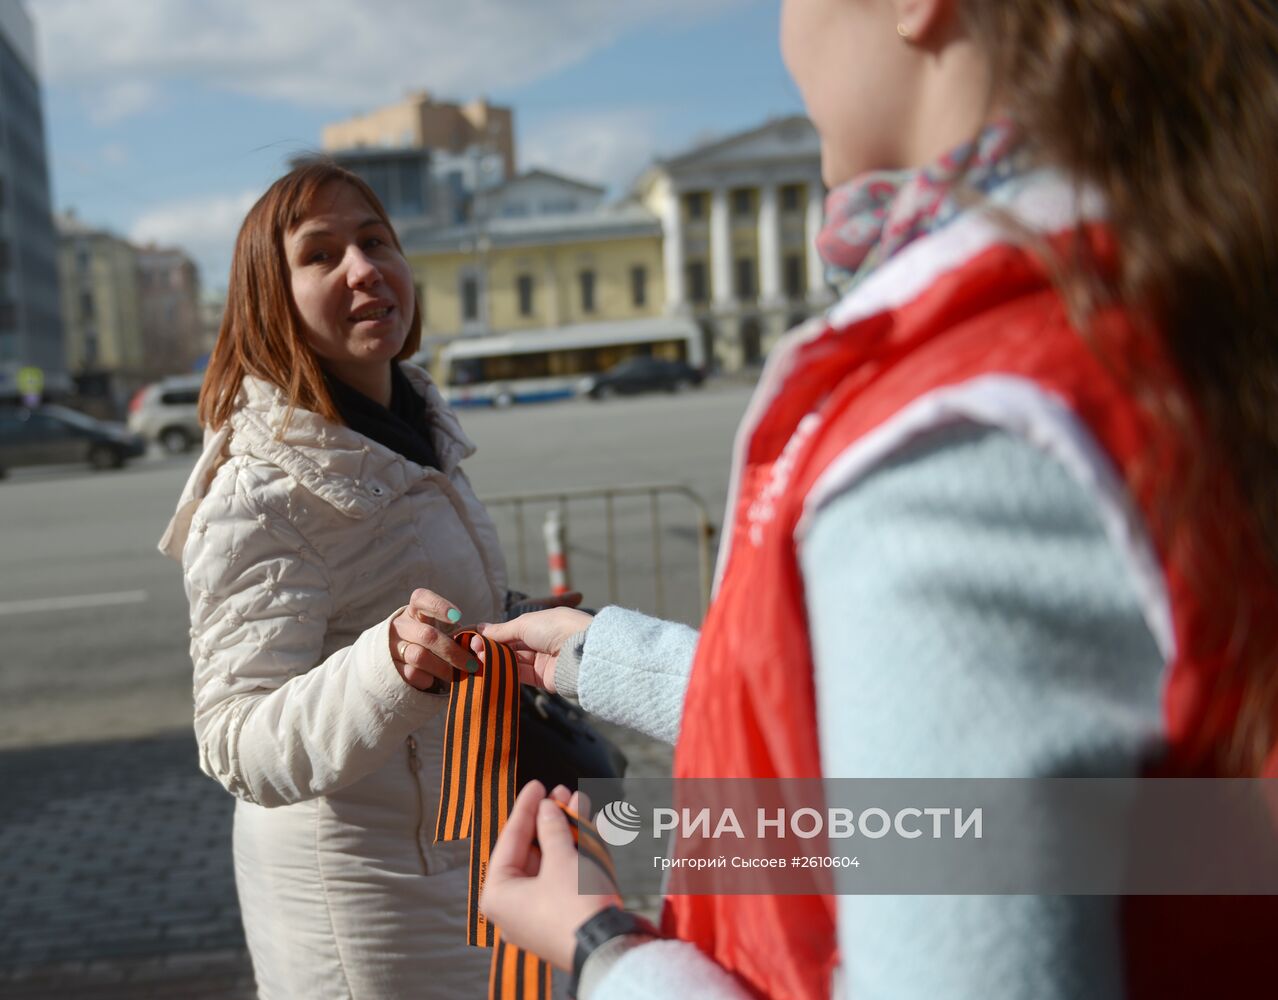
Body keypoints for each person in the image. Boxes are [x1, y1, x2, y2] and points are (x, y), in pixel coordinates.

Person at [467, 0, 1278, 997]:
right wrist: (605, 658)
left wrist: (606, 949)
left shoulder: (954, 423)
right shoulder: (1154, 293)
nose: (783, 33)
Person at [159, 160, 572, 998]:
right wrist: (388, 669)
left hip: (461, 849)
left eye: (376, 240)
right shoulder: (259, 490)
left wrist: (513, 621)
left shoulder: (409, 429)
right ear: (271, 299)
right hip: (363, 895)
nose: (363, 268)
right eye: (321, 254)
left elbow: (408, 590)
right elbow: (234, 739)